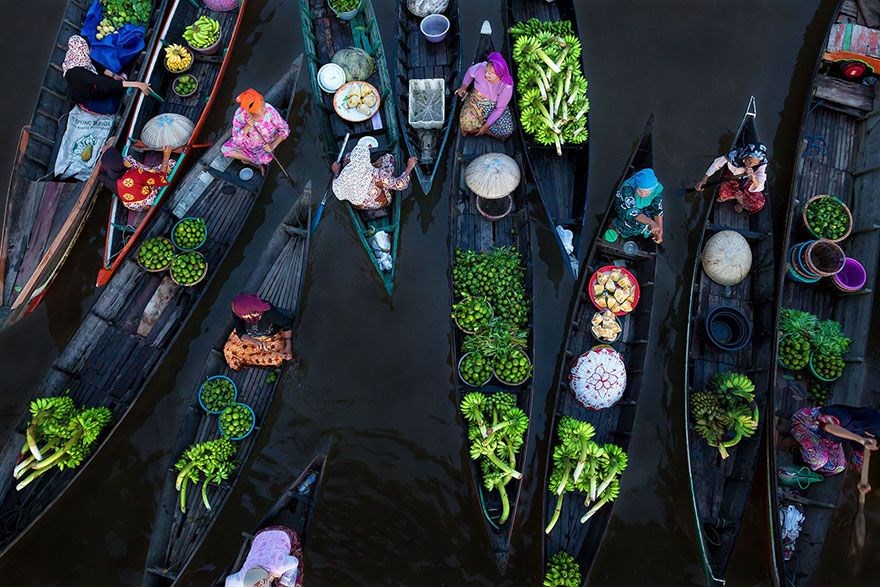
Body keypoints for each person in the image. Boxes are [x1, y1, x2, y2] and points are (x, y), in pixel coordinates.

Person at [790, 404, 879, 491]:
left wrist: (863, 480)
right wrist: (860, 439)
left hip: (827, 439)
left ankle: (809, 450)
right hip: (806, 424)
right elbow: (828, 427)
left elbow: (860, 460)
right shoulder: (844, 417)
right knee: (820, 460)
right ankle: (799, 446)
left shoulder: (863, 434)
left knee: (837, 467)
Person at [62, 35, 151, 114]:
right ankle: (123, 93)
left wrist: (114, 75)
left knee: (116, 81)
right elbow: (102, 82)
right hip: (87, 97)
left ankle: (123, 88)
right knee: (112, 106)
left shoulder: (79, 55)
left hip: (94, 84)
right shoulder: (75, 71)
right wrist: (137, 84)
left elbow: (98, 66)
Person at [331, 136, 416, 210]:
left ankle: (373, 164)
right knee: (389, 158)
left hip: (358, 206)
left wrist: (336, 172)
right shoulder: (377, 174)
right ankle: (375, 165)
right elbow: (400, 185)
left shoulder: (345, 173)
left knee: (346, 157)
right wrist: (409, 167)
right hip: (380, 203)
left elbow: (337, 190)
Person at [221, 88, 290, 173]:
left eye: (263, 105)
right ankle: (255, 162)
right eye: (261, 109)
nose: (264, 110)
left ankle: (253, 161)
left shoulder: (269, 110)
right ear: (250, 113)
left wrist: (273, 145)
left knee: (267, 159)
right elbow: (237, 139)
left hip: (266, 145)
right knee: (225, 149)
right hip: (248, 144)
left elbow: (285, 129)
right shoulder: (240, 115)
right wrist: (247, 126)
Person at [223, 293, 294, 372]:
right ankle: (245, 362)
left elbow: (287, 324)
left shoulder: (268, 311)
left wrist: (288, 345)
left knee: (276, 358)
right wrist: (254, 341)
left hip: (272, 337)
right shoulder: (238, 311)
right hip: (251, 337)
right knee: (228, 349)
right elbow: (240, 331)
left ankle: (249, 361)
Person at [455, 51, 515, 140]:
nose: (486, 75)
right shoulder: (481, 67)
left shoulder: (506, 87)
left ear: (500, 74)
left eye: (491, 73)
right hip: (476, 102)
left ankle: (480, 127)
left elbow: (498, 109)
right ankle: (479, 126)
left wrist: (486, 126)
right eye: (486, 70)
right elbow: (470, 72)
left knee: (507, 130)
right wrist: (463, 87)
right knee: (466, 122)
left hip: (493, 107)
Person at [695, 142, 768, 213]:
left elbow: (760, 184)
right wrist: (704, 179)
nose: (751, 164)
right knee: (722, 194)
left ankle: (740, 201)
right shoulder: (733, 155)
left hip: (747, 183)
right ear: (746, 155)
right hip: (732, 177)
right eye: (749, 161)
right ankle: (737, 196)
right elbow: (716, 164)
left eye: (755, 163)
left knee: (759, 203)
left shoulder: (761, 165)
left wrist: (752, 177)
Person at [225, 526, 303, 587]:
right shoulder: (242, 576)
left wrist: (284, 581)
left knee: (298, 575)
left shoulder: (276, 568)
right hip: (260, 535)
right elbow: (229, 580)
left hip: (283, 533)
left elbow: (294, 561)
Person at [110, 145, 175, 212]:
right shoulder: (136, 173)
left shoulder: (114, 177)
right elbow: (161, 178)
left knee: (131, 162)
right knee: (171, 163)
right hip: (147, 202)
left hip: (134, 206)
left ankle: (148, 173)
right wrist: (166, 155)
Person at [610, 168, 664, 243]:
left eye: (647, 193)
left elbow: (658, 209)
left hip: (640, 207)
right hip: (625, 207)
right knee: (632, 225)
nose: (643, 195)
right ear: (636, 185)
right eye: (640, 191)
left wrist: (659, 229)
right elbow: (632, 212)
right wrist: (651, 222)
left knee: (651, 224)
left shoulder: (656, 189)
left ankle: (648, 230)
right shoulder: (627, 189)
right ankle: (618, 228)